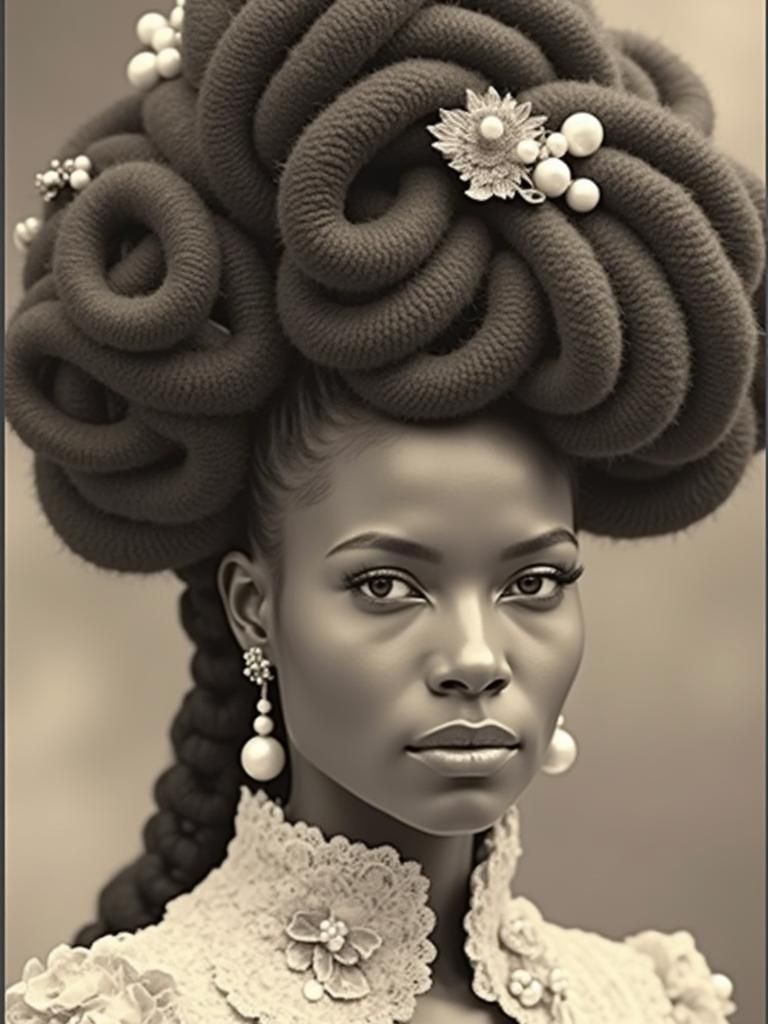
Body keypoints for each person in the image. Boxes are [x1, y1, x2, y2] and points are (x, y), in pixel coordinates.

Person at [4, 0, 764, 1021]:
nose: (476, 654)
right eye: (388, 583)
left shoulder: (657, 1003)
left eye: (534, 581)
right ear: (253, 606)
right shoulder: (130, 1009)